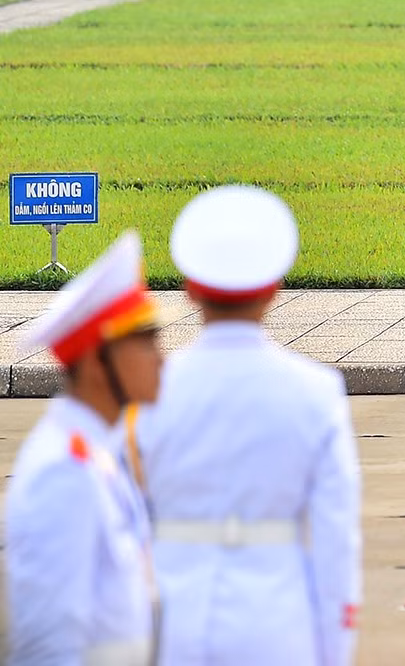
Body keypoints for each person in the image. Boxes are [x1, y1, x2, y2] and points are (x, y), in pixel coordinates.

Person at [135, 185, 362, 666]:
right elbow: (336, 540)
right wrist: (333, 650)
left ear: (190, 290)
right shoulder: (316, 391)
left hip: (174, 628)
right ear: (274, 288)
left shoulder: (152, 391)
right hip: (278, 628)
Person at [4, 234, 163, 664]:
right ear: (97, 362)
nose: (161, 358)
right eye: (145, 342)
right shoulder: (64, 471)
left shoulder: (96, 452)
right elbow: (49, 642)